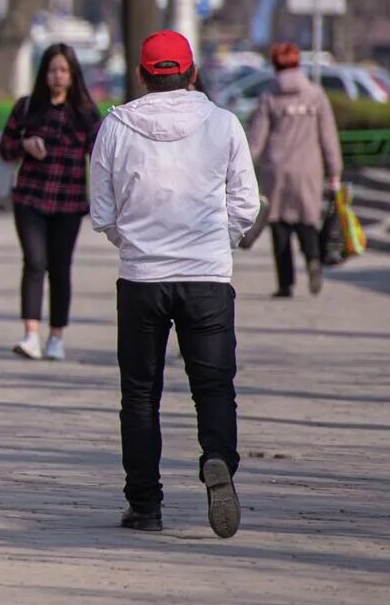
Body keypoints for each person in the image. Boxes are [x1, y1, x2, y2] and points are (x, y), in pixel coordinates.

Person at [90, 30, 259, 539]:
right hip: (207, 277)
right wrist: (214, 242)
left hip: (142, 279)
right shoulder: (223, 124)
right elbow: (247, 204)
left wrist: (136, 243)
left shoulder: (115, 126)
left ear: (143, 75)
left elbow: (103, 212)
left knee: (140, 394)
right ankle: (217, 459)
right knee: (213, 386)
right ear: (190, 72)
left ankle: (145, 505)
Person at [0, 43, 102, 361]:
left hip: (68, 202)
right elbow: (4, 148)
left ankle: (56, 336)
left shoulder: (85, 112)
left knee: (60, 268)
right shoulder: (27, 107)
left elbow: (99, 156)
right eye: (52, 70)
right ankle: (30, 335)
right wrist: (24, 144)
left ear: (73, 75)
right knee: (34, 262)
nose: (58, 76)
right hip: (30, 198)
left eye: (64, 70)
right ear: (43, 73)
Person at [245, 42, 342, 299]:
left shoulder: (269, 98)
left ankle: (285, 284)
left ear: (275, 66)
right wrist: (335, 171)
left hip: (276, 170)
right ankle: (312, 260)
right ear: (298, 64)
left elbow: (256, 140)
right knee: (307, 221)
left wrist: (240, 166)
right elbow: (328, 137)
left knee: (278, 226)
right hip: (308, 169)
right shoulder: (316, 95)